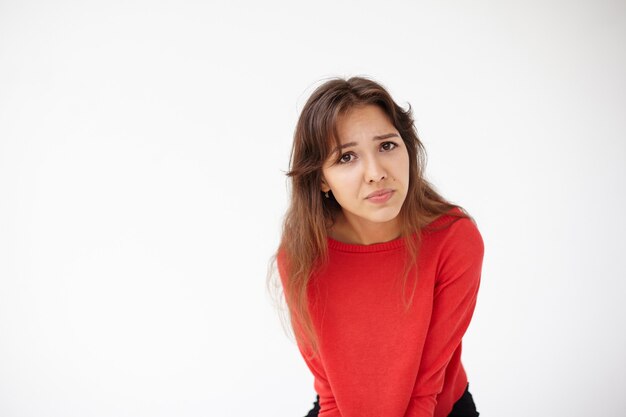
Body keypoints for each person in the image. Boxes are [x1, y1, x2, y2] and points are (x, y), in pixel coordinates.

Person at [271, 77, 484, 417]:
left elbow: (426, 390)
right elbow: (329, 394)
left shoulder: (453, 238)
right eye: (347, 157)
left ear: (408, 148)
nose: (375, 173)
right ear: (321, 178)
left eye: (386, 146)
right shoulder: (301, 255)